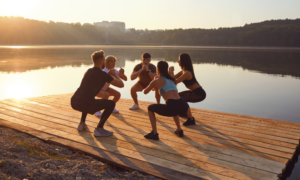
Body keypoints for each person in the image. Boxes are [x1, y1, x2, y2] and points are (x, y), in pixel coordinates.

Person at [71, 50, 124, 137]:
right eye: (104, 60)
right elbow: (121, 84)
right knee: (110, 104)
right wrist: (116, 75)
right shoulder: (102, 74)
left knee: (87, 97)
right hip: (85, 103)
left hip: (74, 101)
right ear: (101, 61)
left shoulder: (88, 71)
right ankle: (99, 129)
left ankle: (82, 123)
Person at [143, 61, 189, 140]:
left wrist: (153, 82)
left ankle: (154, 133)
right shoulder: (171, 79)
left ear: (158, 70)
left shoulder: (156, 81)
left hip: (172, 105)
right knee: (175, 108)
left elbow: (145, 92)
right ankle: (179, 130)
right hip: (184, 106)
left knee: (150, 108)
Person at [169, 53, 206, 126]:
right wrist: (170, 72)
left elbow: (174, 82)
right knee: (177, 96)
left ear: (183, 61)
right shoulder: (182, 72)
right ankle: (185, 113)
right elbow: (172, 79)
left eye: (179, 60)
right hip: (192, 92)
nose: (178, 62)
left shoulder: (187, 73)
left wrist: (172, 71)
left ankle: (191, 119)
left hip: (199, 94)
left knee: (182, 99)